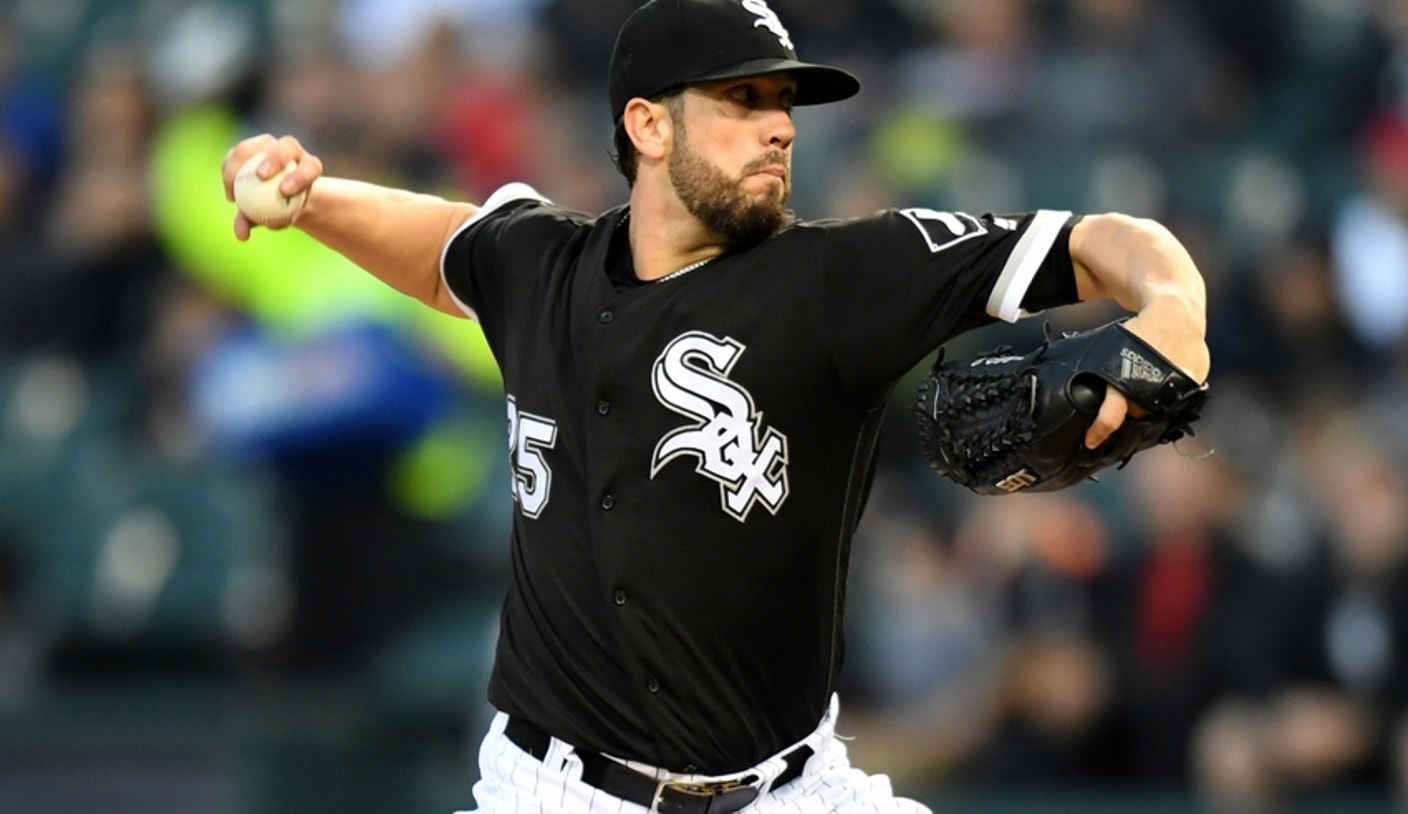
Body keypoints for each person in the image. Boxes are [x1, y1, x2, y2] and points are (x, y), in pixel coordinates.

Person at [219, 1, 1210, 811]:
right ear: (649, 124)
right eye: (740, 100)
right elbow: (444, 248)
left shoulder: (839, 277)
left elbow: (1105, 238)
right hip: (558, 793)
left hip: (792, 789)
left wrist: (1173, 310)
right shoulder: (540, 264)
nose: (779, 124)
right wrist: (312, 199)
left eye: (782, 102)